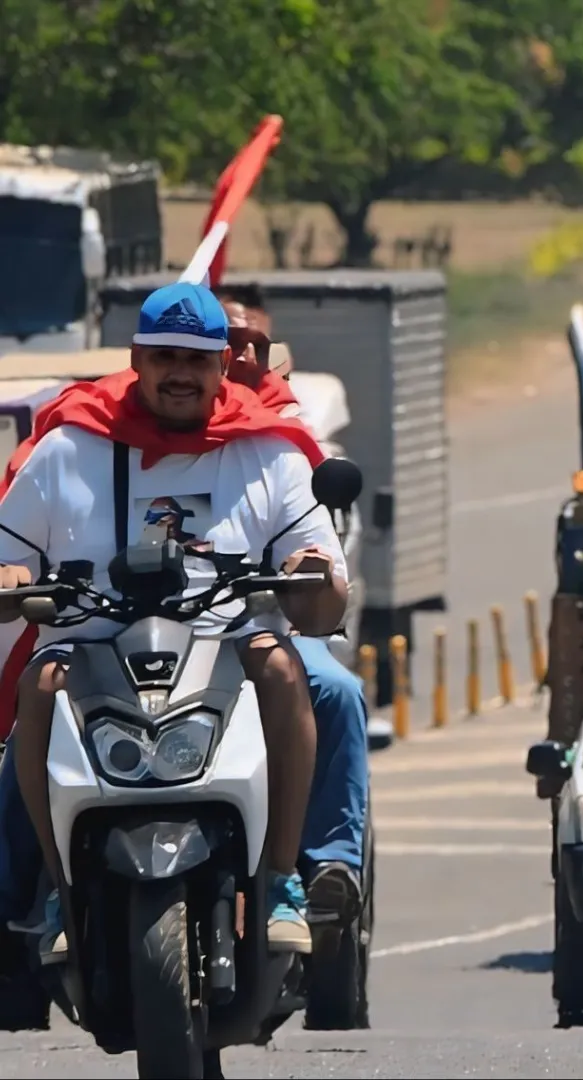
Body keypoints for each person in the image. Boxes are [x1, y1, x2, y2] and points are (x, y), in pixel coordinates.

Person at [0, 281, 345, 967]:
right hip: (92, 645)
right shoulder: (70, 446)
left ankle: (279, 882)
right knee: (38, 689)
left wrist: (311, 572)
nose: (180, 374)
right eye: (164, 357)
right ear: (137, 359)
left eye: (196, 359)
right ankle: (58, 886)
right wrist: (14, 582)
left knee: (282, 666)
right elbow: (11, 555)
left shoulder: (270, 451)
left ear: (223, 365)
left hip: (223, 645)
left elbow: (323, 588)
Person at [217, 301, 372, 927]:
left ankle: (324, 865)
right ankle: (31, 894)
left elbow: (327, 555)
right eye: (229, 342)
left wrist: (306, 573)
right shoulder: (123, 443)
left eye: (256, 344)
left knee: (335, 688)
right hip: (155, 634)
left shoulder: (286, 445)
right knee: (47, 699)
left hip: (264, 626)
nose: (242, 356)